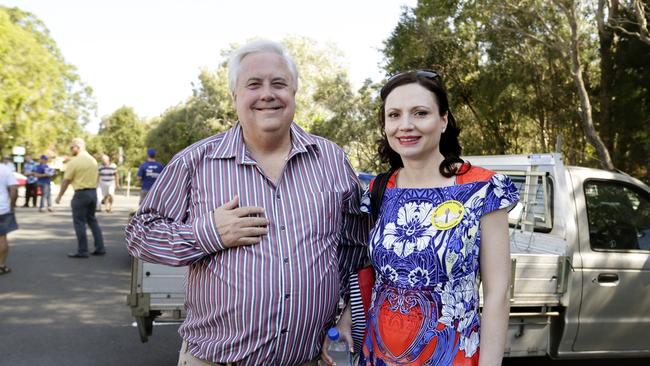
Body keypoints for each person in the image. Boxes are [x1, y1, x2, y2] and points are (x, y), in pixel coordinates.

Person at [125, 39, 369, 366]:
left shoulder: (331, 160)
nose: (267, 93)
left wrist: (347, 316)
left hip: (310, 359)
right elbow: (140, 234)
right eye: (253, 84)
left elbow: (357, 245)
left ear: (293, 92)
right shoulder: (195, 162)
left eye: (278, 83)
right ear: (235, 96)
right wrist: (207, 233)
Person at [322, 70, 519, 366]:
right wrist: (349, 319)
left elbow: (497, 294)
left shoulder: (482, 189)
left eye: (420, 113)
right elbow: (371, 274)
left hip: (452, 357)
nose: (405, 125)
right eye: (394, 115)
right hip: (378, 357)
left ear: (443, 120)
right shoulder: (378, 189)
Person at [55, 138, 106, 258]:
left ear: (77, 147)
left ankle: (83, 251)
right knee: (92, 220)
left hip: (81, 195)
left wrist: (59, 196)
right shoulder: (93, 160)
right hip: (93, 193)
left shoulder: (74, 162)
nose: (70, 149)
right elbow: (98, 177)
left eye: (71, 147)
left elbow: (66, 180)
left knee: (79, 222)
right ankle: (100, 247)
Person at [0, 159, 18, 275]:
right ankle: (1, 265)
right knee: (2, 239)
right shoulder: (5, 169)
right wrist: (12, 205)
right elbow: (14, 189)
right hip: (2, 209)